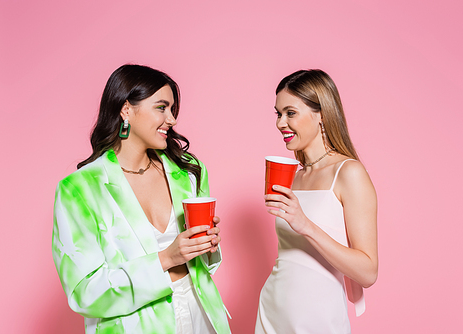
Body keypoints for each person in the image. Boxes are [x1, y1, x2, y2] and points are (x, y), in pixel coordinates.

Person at [52, 64, 231, 334]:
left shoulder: (188, 171)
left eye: (172, 110)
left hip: (200, 315)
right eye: (161, 107)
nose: (171, 120)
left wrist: (208, 244)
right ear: (126, 110)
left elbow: (206, 266)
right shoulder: (79, 189)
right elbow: (85, 293)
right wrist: (165, 258)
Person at [255, 70, 378, 334]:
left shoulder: (348, 173)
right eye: (278, 113)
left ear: (321, 114)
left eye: (290, 113)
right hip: (272, 311)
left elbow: (368, 272)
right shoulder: (293, 177)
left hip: (318, 319)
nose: (280, 123)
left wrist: (306, 225)